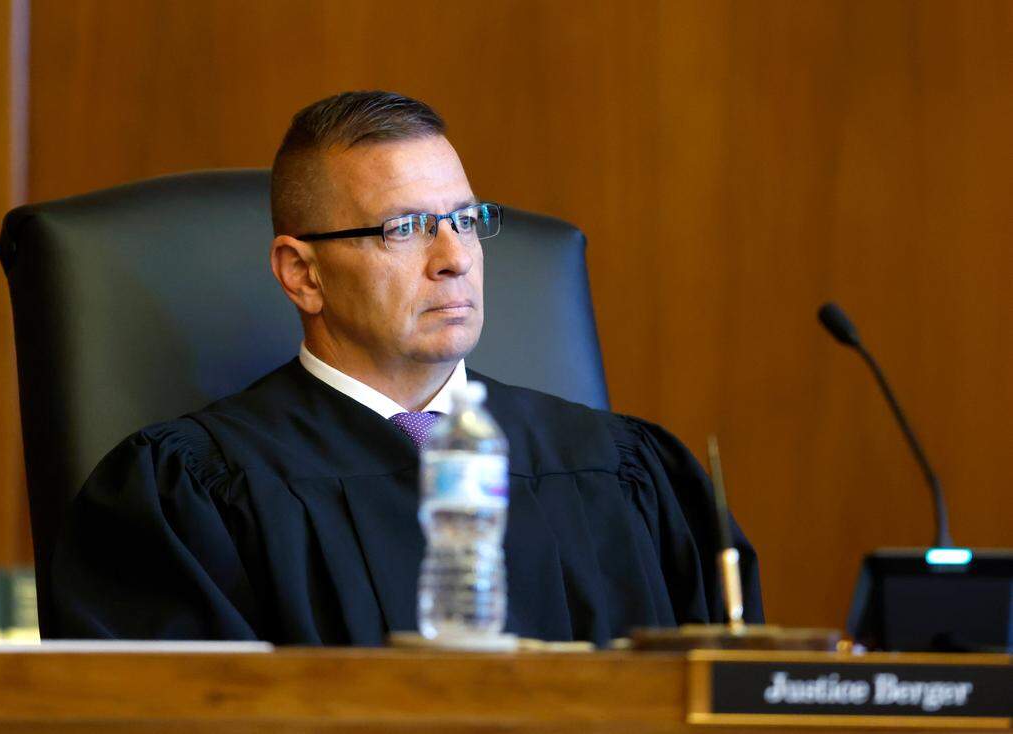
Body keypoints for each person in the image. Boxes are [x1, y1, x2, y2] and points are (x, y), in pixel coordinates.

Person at [52, 91, 763, 645]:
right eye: (405, 228)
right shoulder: (193, 495)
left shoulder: (626, 474)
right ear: (302, 274)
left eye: (466, 219)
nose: (454, 257)